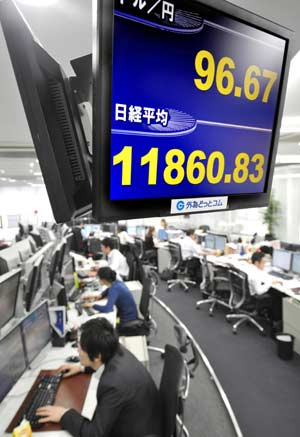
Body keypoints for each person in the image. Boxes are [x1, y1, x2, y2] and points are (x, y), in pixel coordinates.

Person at [36, 318, 162, 437]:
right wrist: (82, 367)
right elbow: (101, 359)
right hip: (147, 420)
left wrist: (64, 415)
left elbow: (95, 434)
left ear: (96, 356)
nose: (77, 350)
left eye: (80, 346)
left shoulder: (113, 384)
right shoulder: (115, 348)